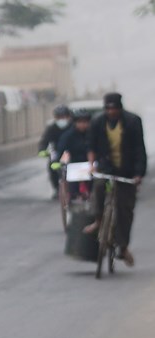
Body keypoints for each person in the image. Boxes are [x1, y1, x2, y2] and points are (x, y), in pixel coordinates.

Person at [83, 92, 147, 267]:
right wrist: (92, 165)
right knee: (98, 187)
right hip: (105, 166)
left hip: (126, 171)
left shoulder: (133, 122)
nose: (111, 112)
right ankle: (98, 220)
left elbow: (139, 149)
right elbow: (91, 145)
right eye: (108, 108)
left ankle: (123, 247)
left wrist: (138, 174)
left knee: (125, 209)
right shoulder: (97, 122)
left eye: (114, 108)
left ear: (119, 108)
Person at [55, 108, 93, 199]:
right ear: (75, 123)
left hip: (91, 164)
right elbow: (61, 150)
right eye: (80, 122)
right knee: (72, 181)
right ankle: (75, 196)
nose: (83, 125)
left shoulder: (93, 134)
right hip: (74, 165)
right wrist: (59, 161)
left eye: (85, 122)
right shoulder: (68, 136)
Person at [38, 105, 73, 199]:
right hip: (57, 152)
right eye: (59, 117)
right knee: (52, 166)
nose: (62, 119)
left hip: (71, 151)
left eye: (64, 117)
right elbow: (44, 141)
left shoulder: (73, 127)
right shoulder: (52, 128)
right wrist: (42, 150)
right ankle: (57, 188)